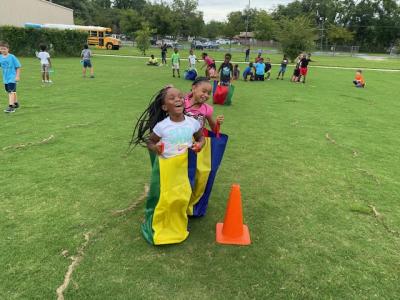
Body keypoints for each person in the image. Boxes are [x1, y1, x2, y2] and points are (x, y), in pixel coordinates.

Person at [130, 85, 205, 245]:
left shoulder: (192, 123)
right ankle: (161, 224)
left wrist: (199, 145)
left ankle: (177, 222)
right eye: (172, 98)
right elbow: (151, 141)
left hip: (183, 167)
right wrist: (155, 148)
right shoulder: (162, 126)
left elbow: (201, 138)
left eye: (179, 96)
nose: (177, 99)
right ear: (165, 107)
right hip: (166, 168)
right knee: (165, 197)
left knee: (181, 195)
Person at [0, 41, 21, 113]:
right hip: (5, 78)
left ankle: (11, 106)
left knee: (10, 91)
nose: (2, 50)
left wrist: (17, 76)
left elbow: (18, 67)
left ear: (8, 49)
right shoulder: (0, 57)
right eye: (1, 49)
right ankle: (16, 103)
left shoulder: (12, 57)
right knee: (12, 91)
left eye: (4, 49)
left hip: (12, 77)